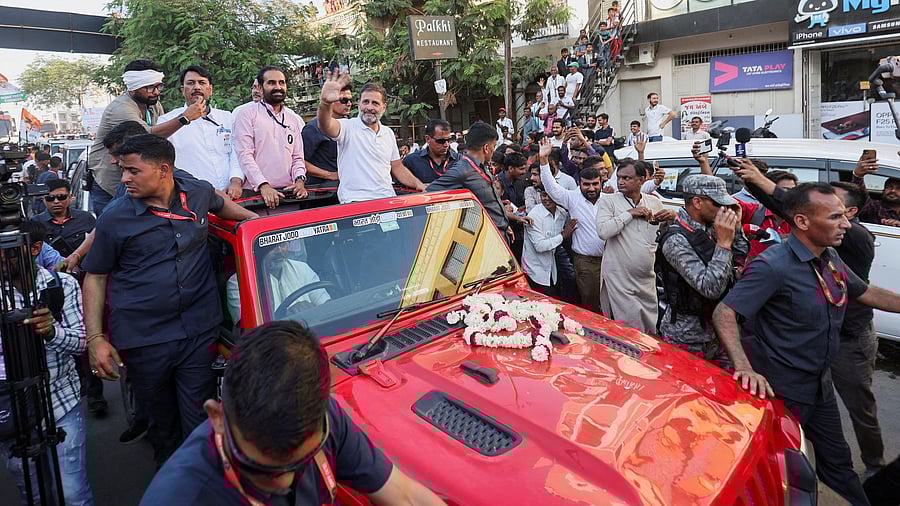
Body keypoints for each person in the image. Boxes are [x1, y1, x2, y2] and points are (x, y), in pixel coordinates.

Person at [711, 181, 900, 506]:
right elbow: (725, 311)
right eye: (835, 217)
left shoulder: (829, 258)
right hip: (781, 393)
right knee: (779, 476)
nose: (846, 224)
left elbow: (866, 293)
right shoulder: (773, 265)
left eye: (845, 216)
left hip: (819, 387)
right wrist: (744, 367)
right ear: (802, 222)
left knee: (838, 466)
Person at [82, 134, 258, 467]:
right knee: (162, 426)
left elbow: (228, 208)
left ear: (164, 170)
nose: (124, 179)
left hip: (197, 331)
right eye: (123, 170)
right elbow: (96, 276)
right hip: (144, 339)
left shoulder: (198, 194)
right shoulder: (115, 218)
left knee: (198, 423)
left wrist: (260, 226)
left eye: (133, 171)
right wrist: (95, 340)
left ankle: (198, 483)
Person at [140, 321, 446, 505]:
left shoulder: (324, 419)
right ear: (217, 418)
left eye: (301, 461)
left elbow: (405, 495)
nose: (284, 482)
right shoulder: (178, 497)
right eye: (259, 466)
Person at [1, 221, 95, 506]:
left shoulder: (61, 285)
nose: (1, 259)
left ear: (34, 249)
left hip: (60, 404)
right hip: (13, 412)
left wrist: (52, 331)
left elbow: (81, 342)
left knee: (73, 493)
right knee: (36, 494)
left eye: (9, 252)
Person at [88, 59, 207, 216]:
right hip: (111, 185)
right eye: (150, 87)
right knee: (114, 230)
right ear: (133, 88)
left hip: (138, 180)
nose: (157, 92)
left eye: (159, 86)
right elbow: (147, 138)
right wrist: (184, 118)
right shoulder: (121, 109)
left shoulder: (153, 104)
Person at [657, 175, 747, 365]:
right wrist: (723, 243)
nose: (725, 210)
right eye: (719, 204)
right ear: (697, 202)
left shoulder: (711, 227)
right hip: (687, 337)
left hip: (718, 333)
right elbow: (710, 288)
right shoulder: (676, 239)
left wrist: (736, 228)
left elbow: (739, 256)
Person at [317, 72, 426, 203]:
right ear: (359, 104)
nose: (369, 107)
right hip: (355, 202)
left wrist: (418, 184)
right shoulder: (347, 127)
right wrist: (325, 103)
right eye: (365, 102)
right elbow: (325, 124)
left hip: (387, 200)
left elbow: (397, 167)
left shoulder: (388, 133)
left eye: (375, 103)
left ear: (383, 108)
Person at [596, 159, 675, 332]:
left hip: (646, 278)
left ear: (641, 180)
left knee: (650, 328)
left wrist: (670, 218)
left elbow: (662, 235)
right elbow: (603, 231)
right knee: (629, 330)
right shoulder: (608, 201)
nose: (621, 182)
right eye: (619, 177)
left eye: (627, 178)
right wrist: (629, 214)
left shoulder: (653, 202)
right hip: (619, 278)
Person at [538, 138, 605, 312]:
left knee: (610, 302)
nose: (591, 188)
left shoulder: (609, 200)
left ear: (601, 183)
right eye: (586, 184)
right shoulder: (572, 198)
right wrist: (544, 161)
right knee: (591, 306)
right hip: (586, 263)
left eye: (595, 184)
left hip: (611, 261)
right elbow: (551, 187)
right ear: (580, 184)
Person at [158, 65, 243, 199]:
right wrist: (184, 118)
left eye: (202, 83)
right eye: (191, 83)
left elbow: (236, 153)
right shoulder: (168, 121)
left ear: (210, 89)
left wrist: (236, 181)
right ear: (182, 90)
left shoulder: (227, 117)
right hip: (192, 196)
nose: (197, 87)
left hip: (231, 195)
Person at [233, 65, 308, 209]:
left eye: (282, 83)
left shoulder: (292, 119)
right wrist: (263, 185)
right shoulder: (247, 114)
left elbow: (298, 157)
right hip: (257, 196)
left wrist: (299, 181)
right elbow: (244, 155)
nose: (278, 87)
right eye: (271, 83)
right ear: (260, 88)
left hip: (288, 195)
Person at [427, 122, 517, 242]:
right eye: (493, 146)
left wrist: (504, 225)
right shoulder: (462, 170)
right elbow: (428, 193)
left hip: (500, 234)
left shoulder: (483, 166)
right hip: (485, 239)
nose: (493, 151)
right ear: (486, 148)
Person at [227, 242, 330, 323]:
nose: (279, 251)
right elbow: (251, 333)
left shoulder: (302, 268)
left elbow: (325, 305)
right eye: (272, 247)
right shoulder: (239, 283)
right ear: (255, 251)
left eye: (282, 245)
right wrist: (287, 316)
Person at [523, 190, 577, 296]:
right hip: (535, 270)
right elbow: (539, 246)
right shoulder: (535, 215)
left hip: (552, 269)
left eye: (550, 195)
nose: (546, 198)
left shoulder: (561, 213)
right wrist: (563, 235)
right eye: (543, 195)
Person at [302, 82, 352, 185]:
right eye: (344, 100)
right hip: (322, 188)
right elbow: (299, 161)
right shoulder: (313, 128)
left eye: (350, 100)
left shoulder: (350, 125)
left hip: (346, 184)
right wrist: (330, 175)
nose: (349, 104)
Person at [403, 119, 458, 185]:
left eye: (448, 140)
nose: (446, 144)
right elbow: (400, 189)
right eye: (441, 141)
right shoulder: (411, 161)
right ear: (428, 139)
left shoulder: (459, 160)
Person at [851, 159, 900, 227]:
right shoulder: (875, 207)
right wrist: (858, 176)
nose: (893, 190)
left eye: (898, 188)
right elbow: (861, 200)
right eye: (889, 187)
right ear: (883, 190)